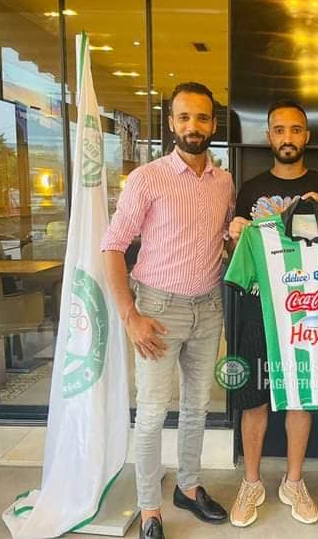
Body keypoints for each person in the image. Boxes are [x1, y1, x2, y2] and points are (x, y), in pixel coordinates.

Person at [101, 82, 234, 539]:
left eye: (202, 118)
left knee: (197, 406)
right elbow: (113, 247)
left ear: (213, 125)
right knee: (153, 412)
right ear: (171, 123)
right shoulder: (147, 178)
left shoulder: (224, 182)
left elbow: (221, 239)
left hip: (208, 307)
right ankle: (149, 509)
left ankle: (189, 487)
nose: (193, 126)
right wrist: (130, 316)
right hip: (158, 310)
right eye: (184, 117)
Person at [226, 100, 318, 528]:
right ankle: (251, 482)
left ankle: (293, 482)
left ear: (306, 136)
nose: (287, 137)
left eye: (295, 129)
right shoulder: (249, 189)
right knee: (253, 399)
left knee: (300, 396)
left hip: (307, 313)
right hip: (257, 309)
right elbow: (236, 256)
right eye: (279, 130)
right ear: (269, 136)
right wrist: (233, 234)